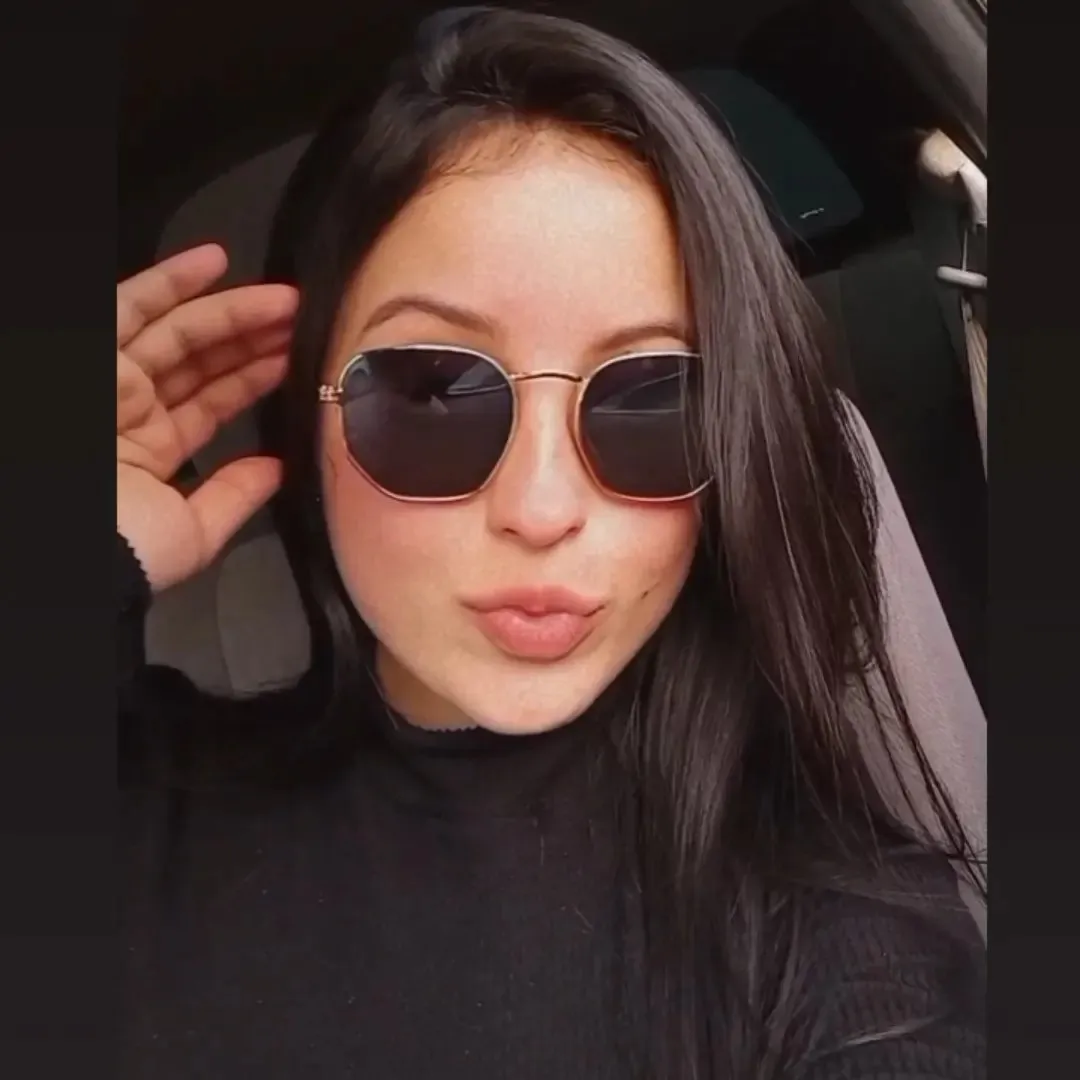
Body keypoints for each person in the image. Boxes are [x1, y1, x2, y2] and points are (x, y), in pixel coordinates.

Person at [117, 7, 985, 1079]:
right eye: (432, 391)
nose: (541, 507)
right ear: (309, 415)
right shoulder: (138, 809)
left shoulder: (833, 931)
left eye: (653, 398)